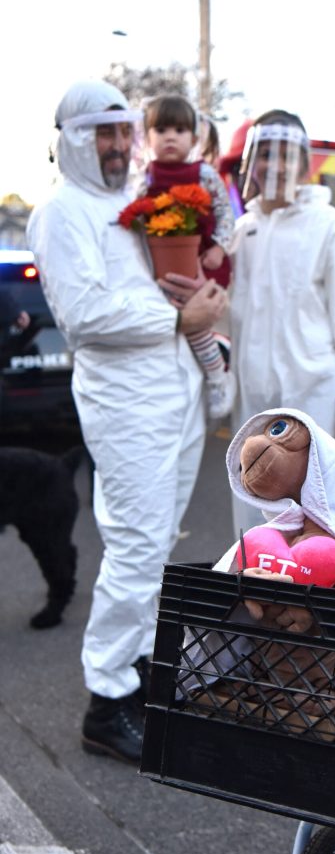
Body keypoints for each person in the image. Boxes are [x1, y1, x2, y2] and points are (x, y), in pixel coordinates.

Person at [27, 79, 227, 764]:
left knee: (159, 541)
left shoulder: (136, 203)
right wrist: (179, 317)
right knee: (137, 544)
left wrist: (197, 296)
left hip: (174, 394)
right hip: (125, 405)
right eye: (101, 134)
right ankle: (106, 703)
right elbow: (83, 316)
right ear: (72, 142)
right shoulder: (61, 213)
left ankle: (140, 675)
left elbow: (160, 287)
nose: (116, 145)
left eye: (122, 132)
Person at [228, 109, 335, 535]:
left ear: (302, 162)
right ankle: (255, 598)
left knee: (315, 523)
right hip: (253, 407)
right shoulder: (243, 232)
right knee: (255, 522)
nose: (274, 166)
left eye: (286, 155)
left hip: (314, 402)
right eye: (265, 154)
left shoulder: (329, 226)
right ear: (251, 160)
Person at [142, 94, 235, 419]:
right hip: (160, 264)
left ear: (194, 138)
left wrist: (219, 247)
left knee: (194, 322)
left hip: (202, 261)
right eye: (161, 129)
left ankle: (216, 376)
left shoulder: (204, 174)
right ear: (147, 137)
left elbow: (225, 212)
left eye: (179, 130)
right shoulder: (145, 177)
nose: (170, 137)